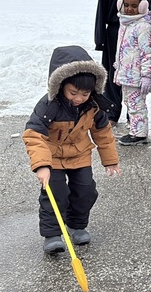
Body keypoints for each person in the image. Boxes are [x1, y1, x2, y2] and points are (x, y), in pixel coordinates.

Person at [22, 45, 121, 254]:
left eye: (84, 94)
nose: (78, 98)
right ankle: (52, 234)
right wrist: (42, 165)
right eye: (73, 92)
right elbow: (33, 134)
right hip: (53, 157)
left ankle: (76, 225)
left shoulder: (93, 105)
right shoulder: (49, 105)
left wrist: (110, 159)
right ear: (60, 85)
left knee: (86, 191)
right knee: (55, 193)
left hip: (79, 154)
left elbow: (103, 132)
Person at [95, 0, 151, 126]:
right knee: (114, 71)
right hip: (115, 30)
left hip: (135, 29)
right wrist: (100, 37)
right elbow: (102, 8)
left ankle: (133, 115)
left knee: (132, 72)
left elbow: (148, 2)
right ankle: (112, 113)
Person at [113, 0, 151, 146]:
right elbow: (122, 48)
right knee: (129, 103)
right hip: (126, 73)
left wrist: (146, 75)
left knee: (137, 104)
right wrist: (118, 64)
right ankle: (134, 128)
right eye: (127, 5)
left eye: (134, 5)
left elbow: (147, 53)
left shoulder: (143, 26)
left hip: (136, 75)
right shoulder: (125, 23)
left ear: (142, 6)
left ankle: (139, 133)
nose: (130, 9)